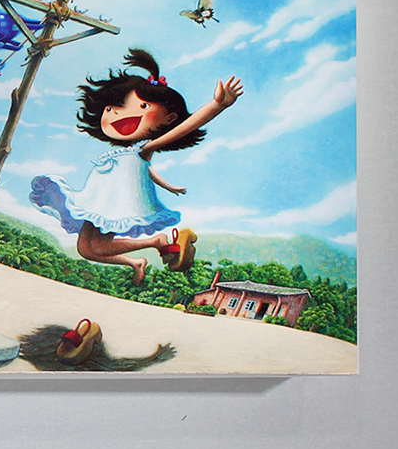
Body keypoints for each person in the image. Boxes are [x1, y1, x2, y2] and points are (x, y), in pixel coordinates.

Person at [30, 49, 243, 284]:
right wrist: (167, 185)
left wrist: (217, 105)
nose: (117, 113)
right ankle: (135, 262)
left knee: (98, 246)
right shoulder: (128, 152)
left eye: (142, 106)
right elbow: (142, 170)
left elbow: (185, 128)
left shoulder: (144, 147)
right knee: (86, 249)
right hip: (95, 200)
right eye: (111, 108)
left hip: (114, 203)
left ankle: (157, 241)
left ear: (169, 119)